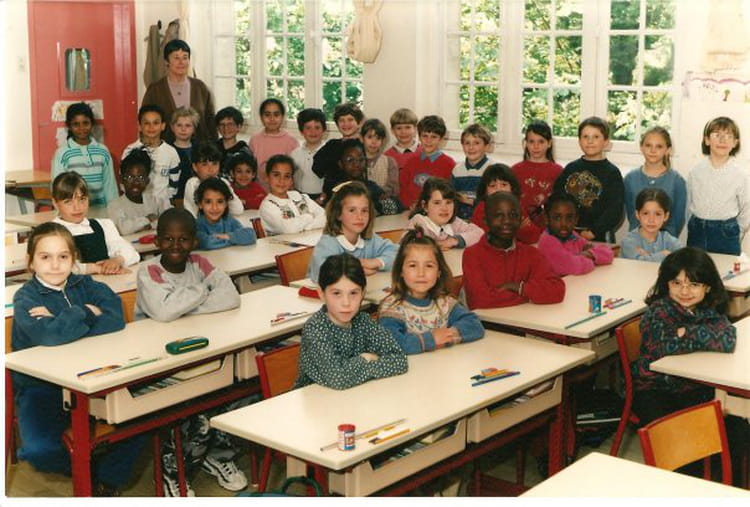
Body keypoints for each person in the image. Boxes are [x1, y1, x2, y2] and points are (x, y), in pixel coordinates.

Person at [11, 222, 143, 496]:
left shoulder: (86, 284)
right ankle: (87, 470)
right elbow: (47, 335)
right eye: (45, 257)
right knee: (38, 451)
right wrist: (87, 312)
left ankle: (107, 479)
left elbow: (115, 318)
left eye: (63, 256)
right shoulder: (25, 298)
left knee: (142, 417)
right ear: (31, 262)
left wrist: (61, 321)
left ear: (74, 260)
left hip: (94, 376)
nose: (55, 265)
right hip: (42, 387)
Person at [135, 209, 246, 496]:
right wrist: (202, 291)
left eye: (183, 239)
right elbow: (163, 311)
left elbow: (231, 296)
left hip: (198, 348)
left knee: (242, 391)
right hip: (158, 360)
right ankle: (173, 470)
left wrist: (182, 307)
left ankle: (216, 454)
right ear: (157, 242)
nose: (175, 245)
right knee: (195, 409)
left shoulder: (200, 263)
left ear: (194, 242)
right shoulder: (149, 271)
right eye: (168, 239)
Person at [295, 253, 408, 390]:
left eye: (353, 293)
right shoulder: (315, 329)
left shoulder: (363, 321)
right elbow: (338, 379)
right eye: (336, 293)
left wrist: (354, 371)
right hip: (317, 397)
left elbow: (399, 360)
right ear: (321, 293)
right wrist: (365, 358)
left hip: (356, 393)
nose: (346, 303)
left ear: (363, 293)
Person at [378, 228, 484, 354]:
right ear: (401, 271)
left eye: (429, 266)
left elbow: (474, 324)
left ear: (439, 272)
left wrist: (447, 335)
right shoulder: (392, 308)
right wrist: (431, 340)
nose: (421, 273)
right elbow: (390, 344)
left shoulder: (444, 302)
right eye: (412, 265)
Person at [463, 192, 565, 310]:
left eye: (513, 215)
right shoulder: (472, 255)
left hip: (527, 318)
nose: (507, 221)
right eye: (499, 215)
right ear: (486, 220)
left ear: (520, 219)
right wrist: (530, 296)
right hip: (487, 321)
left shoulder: (531, 253)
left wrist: (520, 288)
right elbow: (480, 300)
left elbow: (557, 290)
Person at [307, 181, 398, 283]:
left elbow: (398, 254)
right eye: (352, 210)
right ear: (338, 214)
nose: (359, 217)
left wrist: (376, 262)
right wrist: (357, 271)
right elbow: (323, 274)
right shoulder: (328, 244)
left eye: (364, 211)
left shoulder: (370, 240)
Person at [51, 172, 139, 274]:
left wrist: (118, 260)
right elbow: (58, 266)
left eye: (82, 199)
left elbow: (132, 253)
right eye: (68, 202)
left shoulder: (103, 225)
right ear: (55, 203)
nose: (77, 207)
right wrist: (96, 268)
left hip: (106, 282)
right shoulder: (51, 232)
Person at [553, 116, 624, 243]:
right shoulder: (570, 168)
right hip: (568, 233)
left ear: (606, 142)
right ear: (579, 141)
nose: (590, 141)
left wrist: (593, 232)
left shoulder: (612, 173)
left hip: (600, 236)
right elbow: (556, 199)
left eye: (596, 137)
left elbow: (614, 210)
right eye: (585, 137)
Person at [687, 116, 748, 255]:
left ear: (735, 143)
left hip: (726, 233)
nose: (722, 140)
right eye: (717, 135)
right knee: (696, 267)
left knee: (725, 267)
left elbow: (747, 207)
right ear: (707, 140)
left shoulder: (741, 174)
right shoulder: (695, 172)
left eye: (728, 136)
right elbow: (689, 204)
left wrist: (736, 231)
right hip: (697, 230)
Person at [142, 39, 215, 143]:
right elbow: (145, 121)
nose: (181, 62)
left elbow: (210, 121)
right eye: (176, 58)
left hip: (198, 149)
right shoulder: (155, 90)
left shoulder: (200, 88)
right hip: (164, 148)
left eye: (185, 57)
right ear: (166, 61)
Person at [623, 126, 686, 238]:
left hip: (666, 242)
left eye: (659, 146)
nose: (653, 150)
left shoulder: (677, 181)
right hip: (637, 240)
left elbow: (678, 219)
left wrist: (665, 241)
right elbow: (632, 214)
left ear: (668, 150)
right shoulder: (630, 179)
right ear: (641, 147)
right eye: (648, 145)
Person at [51, 102, 118, 207]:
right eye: (76, 124)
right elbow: (58, 187)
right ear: (69, 126)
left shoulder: (102, 151)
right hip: (74, 209)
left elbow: (110, 185)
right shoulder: (62, 153)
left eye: (85, 123)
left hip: (101, 209)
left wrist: (114, 209)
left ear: (92, 123)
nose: (81, 128)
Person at [536, 193, 614, 276]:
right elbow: (577, 267)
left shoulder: (572, 236)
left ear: (576, 219)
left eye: (569, 217)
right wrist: (591, 257)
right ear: (546, 218)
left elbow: (608, 254)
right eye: (557, 218)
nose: (563, 224)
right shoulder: (547, 242)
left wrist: (587, 254)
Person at [511, 120, 563, 243]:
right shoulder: (515, 170)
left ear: (549, 143)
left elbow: (559, 205)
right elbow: (510, 201)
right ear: (525, 143)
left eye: (541, 141)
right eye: (531, 141)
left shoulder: (558, 171)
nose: (536, 146)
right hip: (519, 229)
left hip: (548, 232)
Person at [122, 104, 181, 205]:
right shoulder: (129, 150)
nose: (151, 127)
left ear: (163, 126)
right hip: (137, 205)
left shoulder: (171, 153)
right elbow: (124, 180)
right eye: (146, 123)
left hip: (162, 206)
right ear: (139, 126)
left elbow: (174, 184)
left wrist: (166, 200)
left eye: (156, 123)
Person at [324, 139, 401, 215]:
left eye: (361, 160)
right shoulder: (336, 188)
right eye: (350, 160)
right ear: (340, 164)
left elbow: (398, 206)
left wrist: (380, 204)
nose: (356, 164)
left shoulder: (370, 186)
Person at [405, 177, 484, 250]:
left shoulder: (454, 222)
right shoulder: (418, 222)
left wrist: (454, 241)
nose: (444, 208)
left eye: (448, 202)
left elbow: (480, 233)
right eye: (437, 203)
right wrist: (434, 246)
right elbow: (407, 245)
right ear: (425, 206)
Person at [471, 163, 539, 244]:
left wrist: (519, 230)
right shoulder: (481, 208)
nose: (499, 189)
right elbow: (486, 236)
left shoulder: (517, 206)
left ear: (512, 188)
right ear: (485, 191)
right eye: (493, 186)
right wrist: (516, 229)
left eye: (504, 185)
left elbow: (534, 236)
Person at [107, 148, 171, 235]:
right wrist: (148, 219)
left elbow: (168, 221)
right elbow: (123, 229)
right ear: (121, 179)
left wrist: (145, 226)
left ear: (147, 180)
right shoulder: (115, 205)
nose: (136, 182)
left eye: (141, 177)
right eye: (130, 177)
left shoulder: (156, 201)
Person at [259, 154, 326, 235]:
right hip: (282, 243)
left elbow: (325, 217)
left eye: (287, 176)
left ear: (292, 180)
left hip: (309, 240)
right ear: (267, 177)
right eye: (276, 175)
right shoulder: (267, 206)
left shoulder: (299, 196)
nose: (282, 180)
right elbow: (289, 229)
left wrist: (305, 226)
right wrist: (310, 216)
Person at [311, 102, 365, 203]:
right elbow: (317, 168)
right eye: (341, 120)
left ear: (358, 123)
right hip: (331, 197)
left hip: (356, 196)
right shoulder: (332, 145)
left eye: (350, 120)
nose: (346, 124)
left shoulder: (363, 146)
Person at [399, 115, 455, 209]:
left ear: (441, 139)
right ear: (419, 137)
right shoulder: (410, 161)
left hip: (436, 211)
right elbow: (402, 188)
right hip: (410, 209)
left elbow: (450, 194)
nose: (428, 141)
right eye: (424, 136)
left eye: (434, 137)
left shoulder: (449, 164)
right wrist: (409, 205)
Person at [183, 142, 243, 218]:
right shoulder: (193, 184)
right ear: (195, 167)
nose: (211, 169)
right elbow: (191, 215)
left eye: (215, 164)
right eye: (204, 164)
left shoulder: (223, 182)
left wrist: (227, 190)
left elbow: (238, 210)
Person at [620, 188, 682, 262]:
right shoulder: (629, 242)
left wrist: (647, 256)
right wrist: (664, 255)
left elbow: (683, 259)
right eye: (645, 213)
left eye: (657, 214)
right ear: (637, 214)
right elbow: (639, 265)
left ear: (666, 216)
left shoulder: (670, 241)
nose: (651, 220)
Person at [195, 178, 256, 250]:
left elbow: (251, 235)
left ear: (226, 203)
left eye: (220, 201)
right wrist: (235, 240)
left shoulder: (228, 221)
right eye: (208, 202)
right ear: (200, 204)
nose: (214, 208)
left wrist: (227, 236)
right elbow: (208, 244)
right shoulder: (197, 225)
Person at [249, 98, 299, 181]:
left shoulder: (291, 141)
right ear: (261, 117)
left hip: (283, 186)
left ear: (282, 117)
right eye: (267, 115)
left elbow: (294, 172)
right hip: (258, 187)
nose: (272, 119)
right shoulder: (254, 140)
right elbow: (250, 169)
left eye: (276, 115)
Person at [452, 124, 494, 219]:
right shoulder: (457, 170)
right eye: (467, 143)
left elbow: (494, 199)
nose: (471, 147)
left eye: (476, 143)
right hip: (460, 219)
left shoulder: (491, 169)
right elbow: (452, 195)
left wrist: (470, 201)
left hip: (484, 219)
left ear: (487, 146)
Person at [291, 108, 327, 203]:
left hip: (323, 198)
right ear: (301, 131)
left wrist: (322, 198)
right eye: (308, 128)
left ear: (324, 130)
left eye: (317, 127)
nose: (313, 132)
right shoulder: (295, 154)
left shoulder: (329, 152)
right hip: (299, 198)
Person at [361, 118, 399, 200]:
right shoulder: (356, 161)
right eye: (369, 137)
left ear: (383, 141)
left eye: (378, 138)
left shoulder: (389, 162)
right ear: (362, 138)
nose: (373, 142)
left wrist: (377, 193)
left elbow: (393, 189)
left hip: (383, 201)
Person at [169, 106, 200, 205]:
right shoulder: (167, 150)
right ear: (172, 127)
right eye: (179, 125)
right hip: (175, 199)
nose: (183, 129)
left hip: (197, 197)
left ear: (194, 129)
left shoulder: (200, 149)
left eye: (188, 125)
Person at [214, 106, 252, 177]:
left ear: (239, 127)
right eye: (222, 124)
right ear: (218, 127)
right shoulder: (212, 148)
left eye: (230, 124)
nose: (226, 128)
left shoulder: (244, 151)